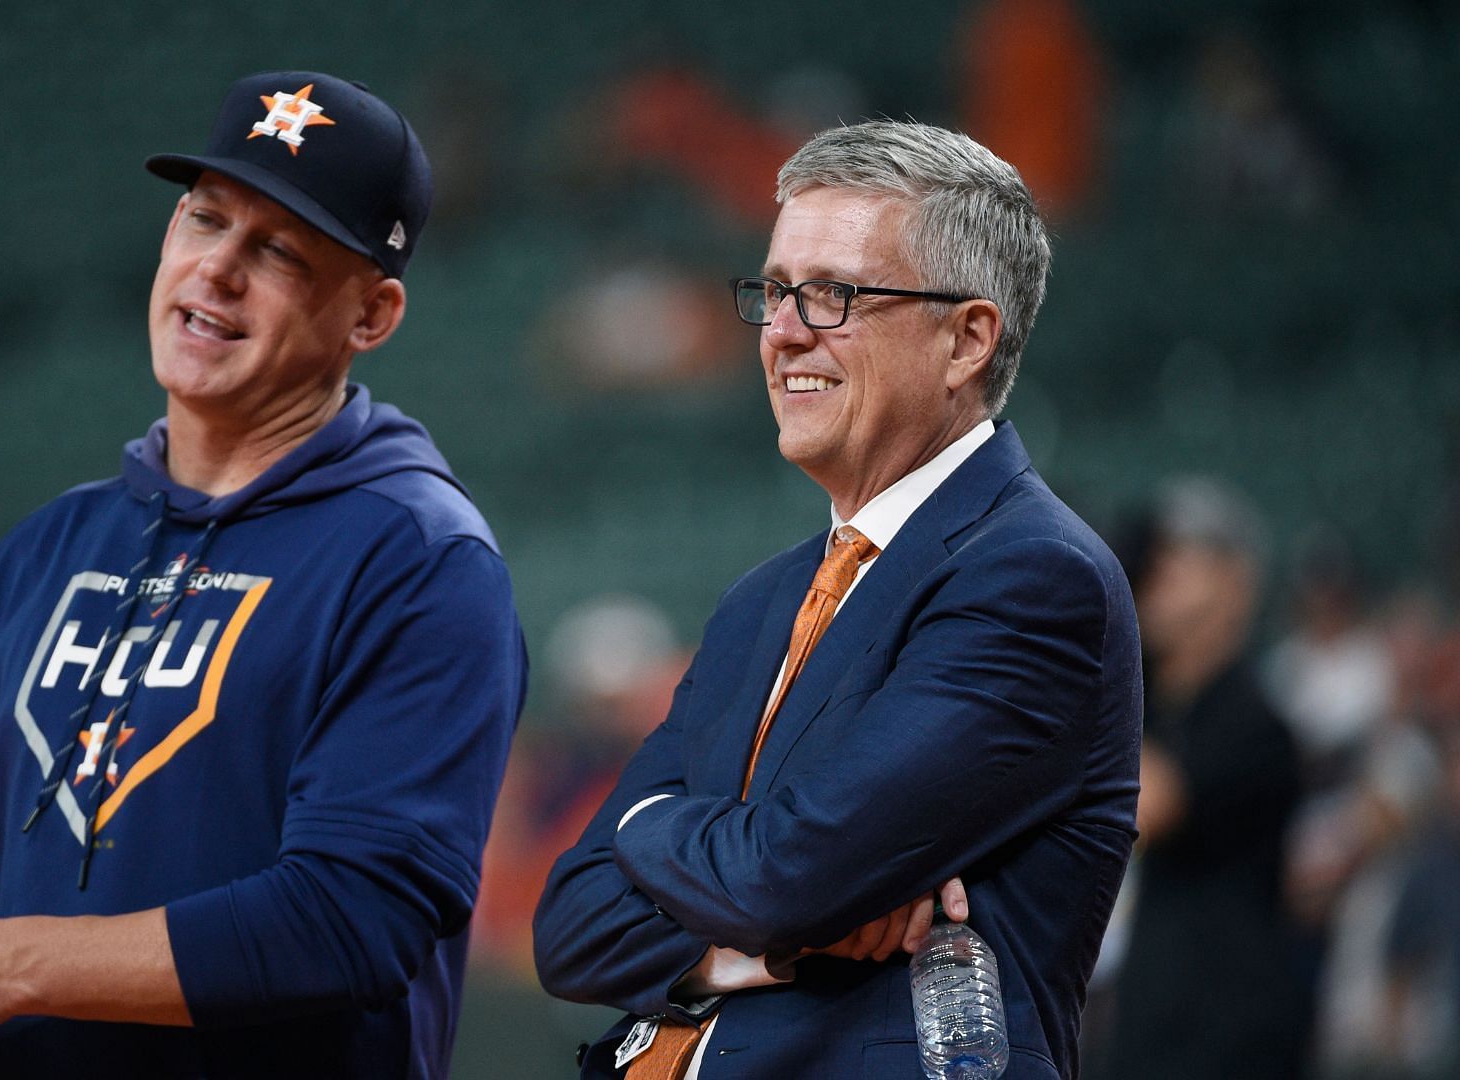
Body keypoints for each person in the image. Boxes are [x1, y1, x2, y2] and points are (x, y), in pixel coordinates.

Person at [0, 71, 527, 1080]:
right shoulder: (48, 546)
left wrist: (9, 968)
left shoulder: (420, 562)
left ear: (371, 315)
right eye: (204, 221)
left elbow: (350, 920)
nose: (218, 272)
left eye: (279, 251)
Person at [533, 120, 1141, 1080]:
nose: (781, 332)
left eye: (834, 295)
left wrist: (646, 827)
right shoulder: (760, 600)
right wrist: (748, 946)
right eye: (775, 291)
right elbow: (569, 926)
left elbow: (785, 875)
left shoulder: (1031, 576)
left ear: (967, 340)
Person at [1103, 478, 1310, 1080]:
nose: (1156, 573)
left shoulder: (1252, 721)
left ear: (1236, 582)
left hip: (1226, 1039)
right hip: (1146, 1029)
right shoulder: (1156, 710)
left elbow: (1142, 805)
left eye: (1179, 556)